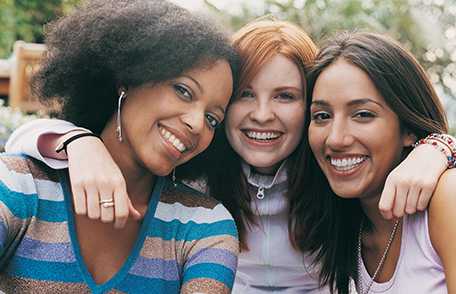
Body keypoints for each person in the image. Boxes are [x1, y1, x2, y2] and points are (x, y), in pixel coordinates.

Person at [6, 20, 456, 292]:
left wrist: (438, 146)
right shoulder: (194, 170)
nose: (263, 115)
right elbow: (20, 142)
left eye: (286, 96)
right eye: (243, 95)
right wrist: (79, 143)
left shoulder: (332, 178)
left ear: (308, 106)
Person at [0, 0, 240, 293]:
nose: (197, 124)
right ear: (128, 78)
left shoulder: (204, 227)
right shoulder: (19, 186)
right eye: (183, 90)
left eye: (212, 119)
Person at [302, 31, 456, 294]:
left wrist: (442, 144)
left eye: (362, 114)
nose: (335, 138)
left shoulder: (446, 198)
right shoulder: (329, 225)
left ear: (408, 128)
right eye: (322, 115)